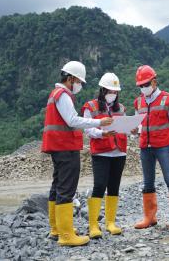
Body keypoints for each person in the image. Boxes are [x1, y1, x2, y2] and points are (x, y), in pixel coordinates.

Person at [41, 61, 113, 247]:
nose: (80, 84)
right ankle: (66, 236)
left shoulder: (54, 94)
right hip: (65, 146)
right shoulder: (63, 95)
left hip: (57, 146)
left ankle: (56, 230)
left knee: (57, 186)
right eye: (79, 81)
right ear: (71, 78)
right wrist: (98, 122)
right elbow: (72, 120)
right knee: (66, 188)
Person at [132, 65, 169, 231]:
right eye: (140, 86)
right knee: (147, 182)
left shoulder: (168, 99)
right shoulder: (138, 101)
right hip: (145, 146)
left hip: (164, 146)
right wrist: (134, 130)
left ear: (154, 82)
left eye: (145, 84)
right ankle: (149, 217)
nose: (143, 88)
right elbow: (139, 124)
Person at [81, 73, 127, 239]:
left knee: (114, 186)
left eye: (115, 92)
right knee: (99, 186)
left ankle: (110, 223)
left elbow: (125, 127)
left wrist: (135, 130)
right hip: (101, 152)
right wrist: (102, 134)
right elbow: (87, 128)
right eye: (110, 91)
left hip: (119, 152)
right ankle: (93, 225)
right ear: (102, 90)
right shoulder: (90, 107)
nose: (112, 94)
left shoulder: (120, 108)